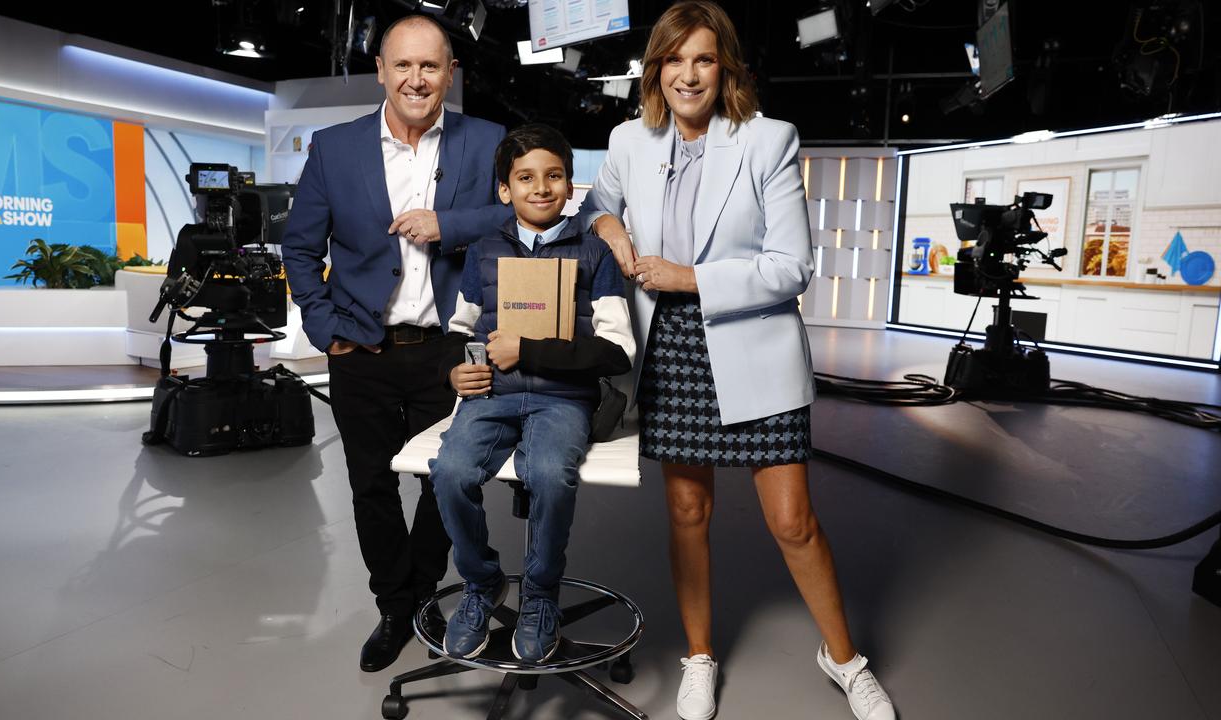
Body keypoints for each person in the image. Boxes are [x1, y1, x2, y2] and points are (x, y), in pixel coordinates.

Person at [579, 2, 896, 719]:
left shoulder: (767, 140)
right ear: (656, 68)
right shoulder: (631, 139)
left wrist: (683, 275)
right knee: (688, 511)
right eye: (674, 59)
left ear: (725, 67)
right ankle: (699, 656)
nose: (688, 74)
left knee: (793, 522)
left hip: (750, 340)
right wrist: (613, 233)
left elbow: (793, 267)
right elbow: (599, 202)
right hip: (672, 349)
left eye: (703, 59)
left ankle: (844, 659)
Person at [281, 14, 513, 673]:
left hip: (449, 351)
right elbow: (299, 249)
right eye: (402, 65)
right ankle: (397, 605)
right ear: (380, 71)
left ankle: (422, 593)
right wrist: (325, 329)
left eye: (430, 66)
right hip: (363, 351)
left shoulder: (488, 140)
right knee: (372, 487)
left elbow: (519, 212)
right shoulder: (334, 149)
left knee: (448, 482)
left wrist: (449, 222)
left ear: (450, 74)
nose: (416, 79)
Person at [429, 123, 635, 663]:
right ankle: (482, 582)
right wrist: (458, 370)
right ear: (505, 190)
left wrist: (531, 351)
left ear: (571, 186)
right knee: (449, 471)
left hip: (564, 399)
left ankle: (541, 594)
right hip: (491, 395)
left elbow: (617, 351)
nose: (540, 187)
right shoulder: (482, 251)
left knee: (548, 474)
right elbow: (461, 328)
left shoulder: (595, 253)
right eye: (525, 177)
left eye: (554, 176)